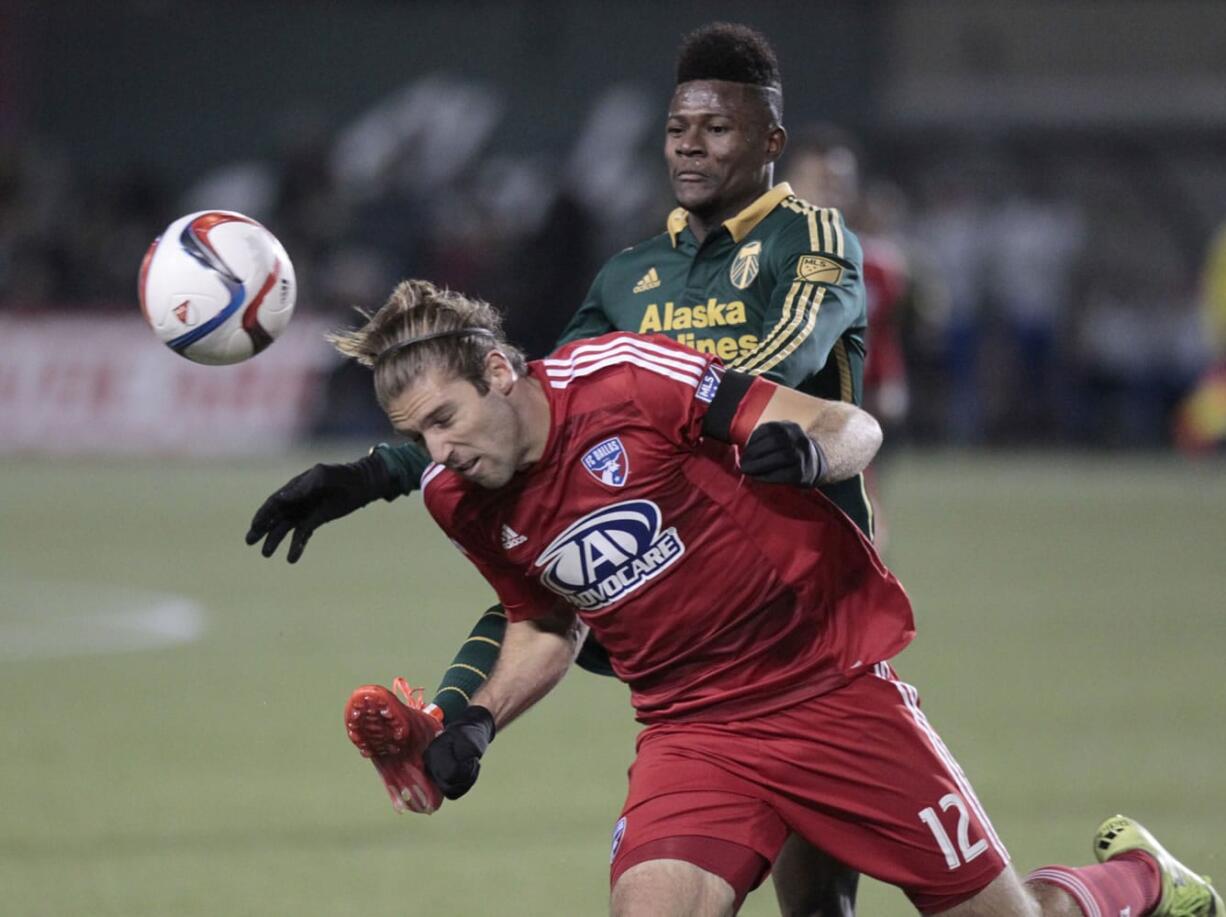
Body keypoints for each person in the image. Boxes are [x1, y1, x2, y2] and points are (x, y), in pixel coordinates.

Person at [335, 278, 1218, 917]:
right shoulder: (461, 501)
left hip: (827, 692)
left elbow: (851, 426)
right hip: (692, 732)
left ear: (496, 369)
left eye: (443, 418)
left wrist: (808, 453)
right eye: (416, 436)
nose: (437, 450)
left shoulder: (625, 380)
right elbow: (542, 621)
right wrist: (481, 718)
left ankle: (1141, 879)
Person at [250, 22, 871, 916]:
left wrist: (668, 403)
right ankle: (452, 727)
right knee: (551, 553)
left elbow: (790, 353)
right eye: (676, 129)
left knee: (819, 907)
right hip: (680, 589)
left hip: (801, 603)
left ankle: (1123, 887)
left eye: (718, 128)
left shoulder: (810, 237)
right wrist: (376, 471)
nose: (690, 146)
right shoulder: (629, 275)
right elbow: (543, 407)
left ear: (770, 142)